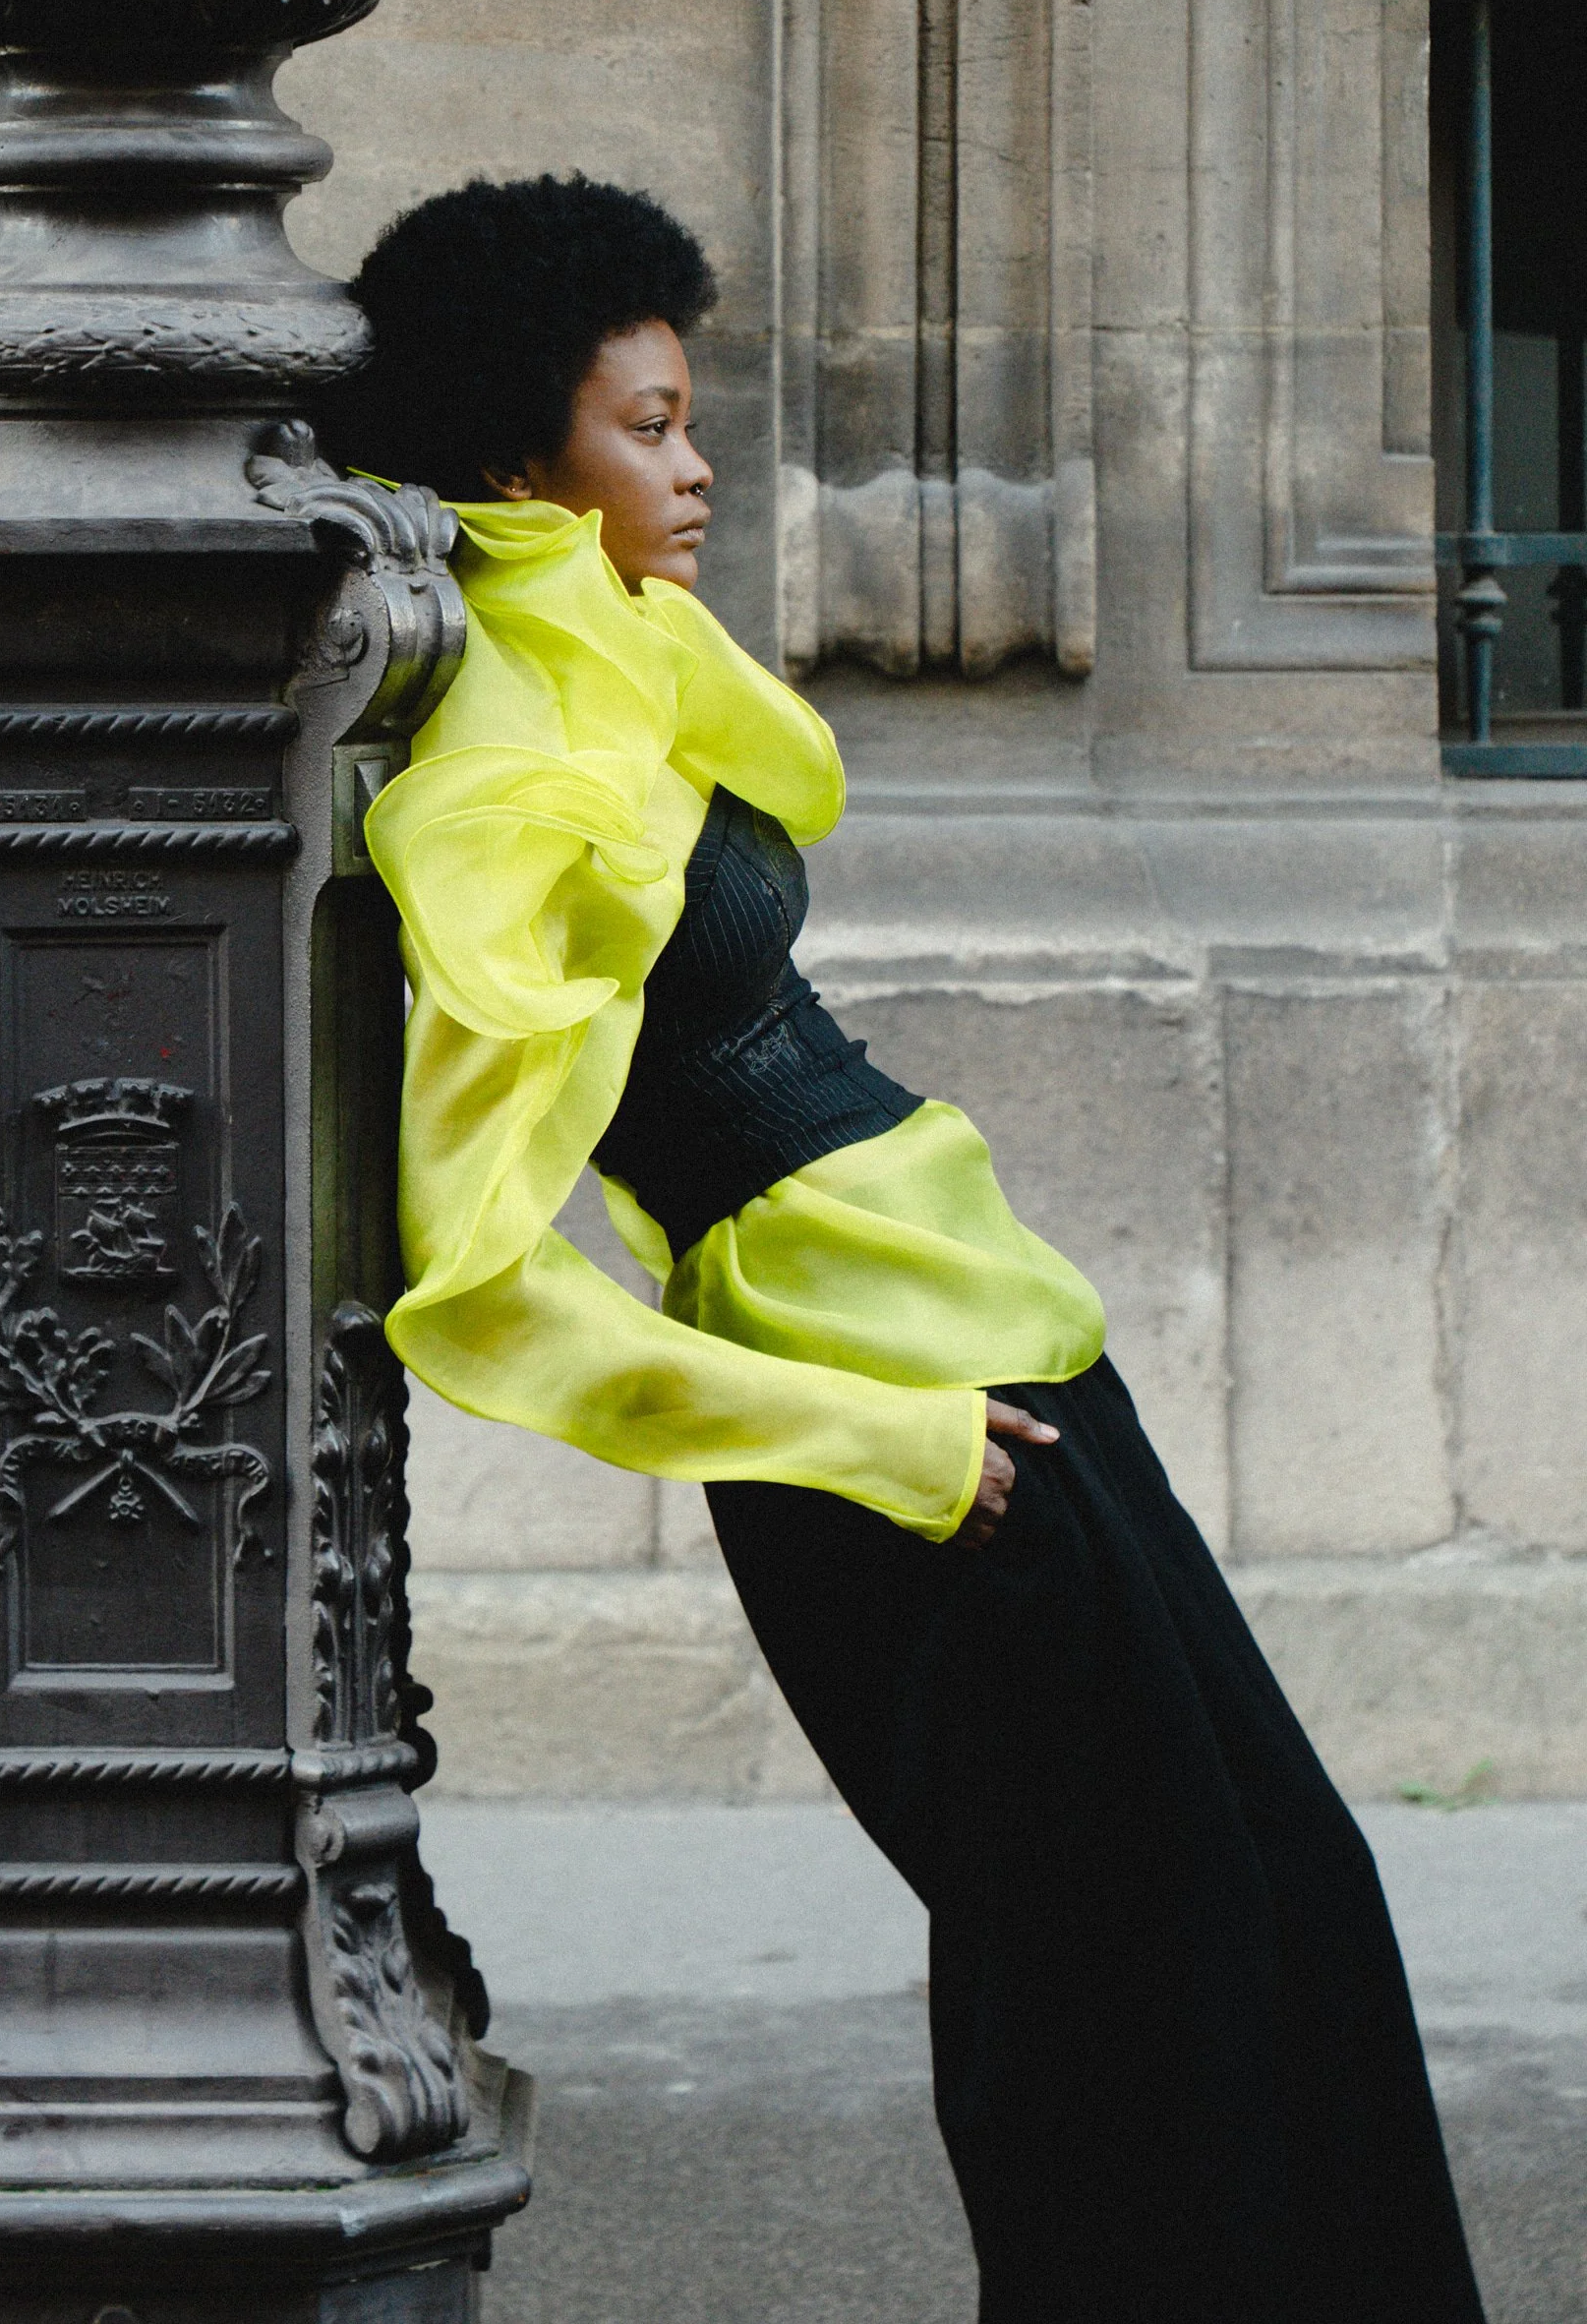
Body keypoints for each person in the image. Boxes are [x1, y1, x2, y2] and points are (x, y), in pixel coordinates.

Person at [330, 172, 1487, 2324]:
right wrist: (881, 1442)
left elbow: (792, 771)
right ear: (509, 458)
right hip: (922, 1451)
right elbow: (476, 1277)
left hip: (1019, 1380)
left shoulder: (612, 686)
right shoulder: (509, 785)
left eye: (691, 424)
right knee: (1121, 2023)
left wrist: (618, 602)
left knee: (1286, 1931)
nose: (694, 473)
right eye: (651, 426)